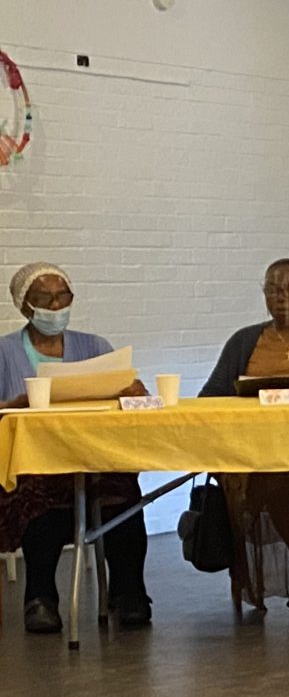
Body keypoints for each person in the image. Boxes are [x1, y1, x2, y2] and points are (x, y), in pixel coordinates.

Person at [0, 263, 153, 632]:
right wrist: (16, 405)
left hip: (94, 457)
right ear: (25, 306)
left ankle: (128, 592)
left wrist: (135, 392)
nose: (56, 307)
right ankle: (40, 598)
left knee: (123, 492)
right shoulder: (5, 352)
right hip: (31, 463)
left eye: (63, 297)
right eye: (45, 299)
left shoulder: (95, 347)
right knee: (42, 492)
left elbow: (132, 404)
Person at [199, 259, 289, 619]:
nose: (279, 297)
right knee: (272, 485)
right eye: (272, 289)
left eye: (288, 289)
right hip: (262, 456)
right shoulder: (245, 342)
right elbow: (210, 398)